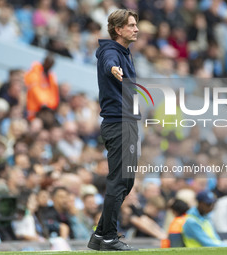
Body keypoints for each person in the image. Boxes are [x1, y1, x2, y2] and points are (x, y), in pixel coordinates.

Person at [87, 9, 140, 251]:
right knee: (119, 181)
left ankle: (100, 235)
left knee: (125, 182)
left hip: (125, 122)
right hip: (118, 123)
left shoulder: (125, 53)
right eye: (130, 25)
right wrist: (113, 70)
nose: (136, 28)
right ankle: (109, 237)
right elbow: (109, 63)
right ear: (118, 30)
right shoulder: (111, 52)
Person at [24, 54, 59, 120]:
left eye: (51, 64)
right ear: (44, 61)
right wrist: (43, 102)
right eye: (48, 62)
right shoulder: (35, 71)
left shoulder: (51, 76)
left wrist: (50, 105)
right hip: (33, 107)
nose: (49, 65)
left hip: (46, 109)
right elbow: (34, 88)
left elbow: (54, 93)